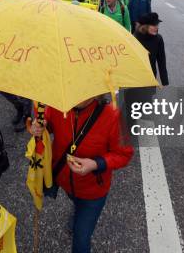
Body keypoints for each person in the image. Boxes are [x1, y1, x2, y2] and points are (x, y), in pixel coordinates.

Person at [29, 97, 133, 253]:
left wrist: (96, 164)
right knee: (75, 202)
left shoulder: (115, 115)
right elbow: (45, 125)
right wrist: (36, 126)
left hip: (94, 192)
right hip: (65, 181)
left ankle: (79, 218)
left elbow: (125, 154)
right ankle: (77, 210)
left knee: (81, 237)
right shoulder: (59, 106)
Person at [134, 13, 168, 85]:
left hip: (151, 77)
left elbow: (162, 62)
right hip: (135, 77)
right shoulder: (135, 38)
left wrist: (165, 83)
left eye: (157, 25)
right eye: (154, 25)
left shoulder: (158, 39)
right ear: (145, 26)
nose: (156, 27)